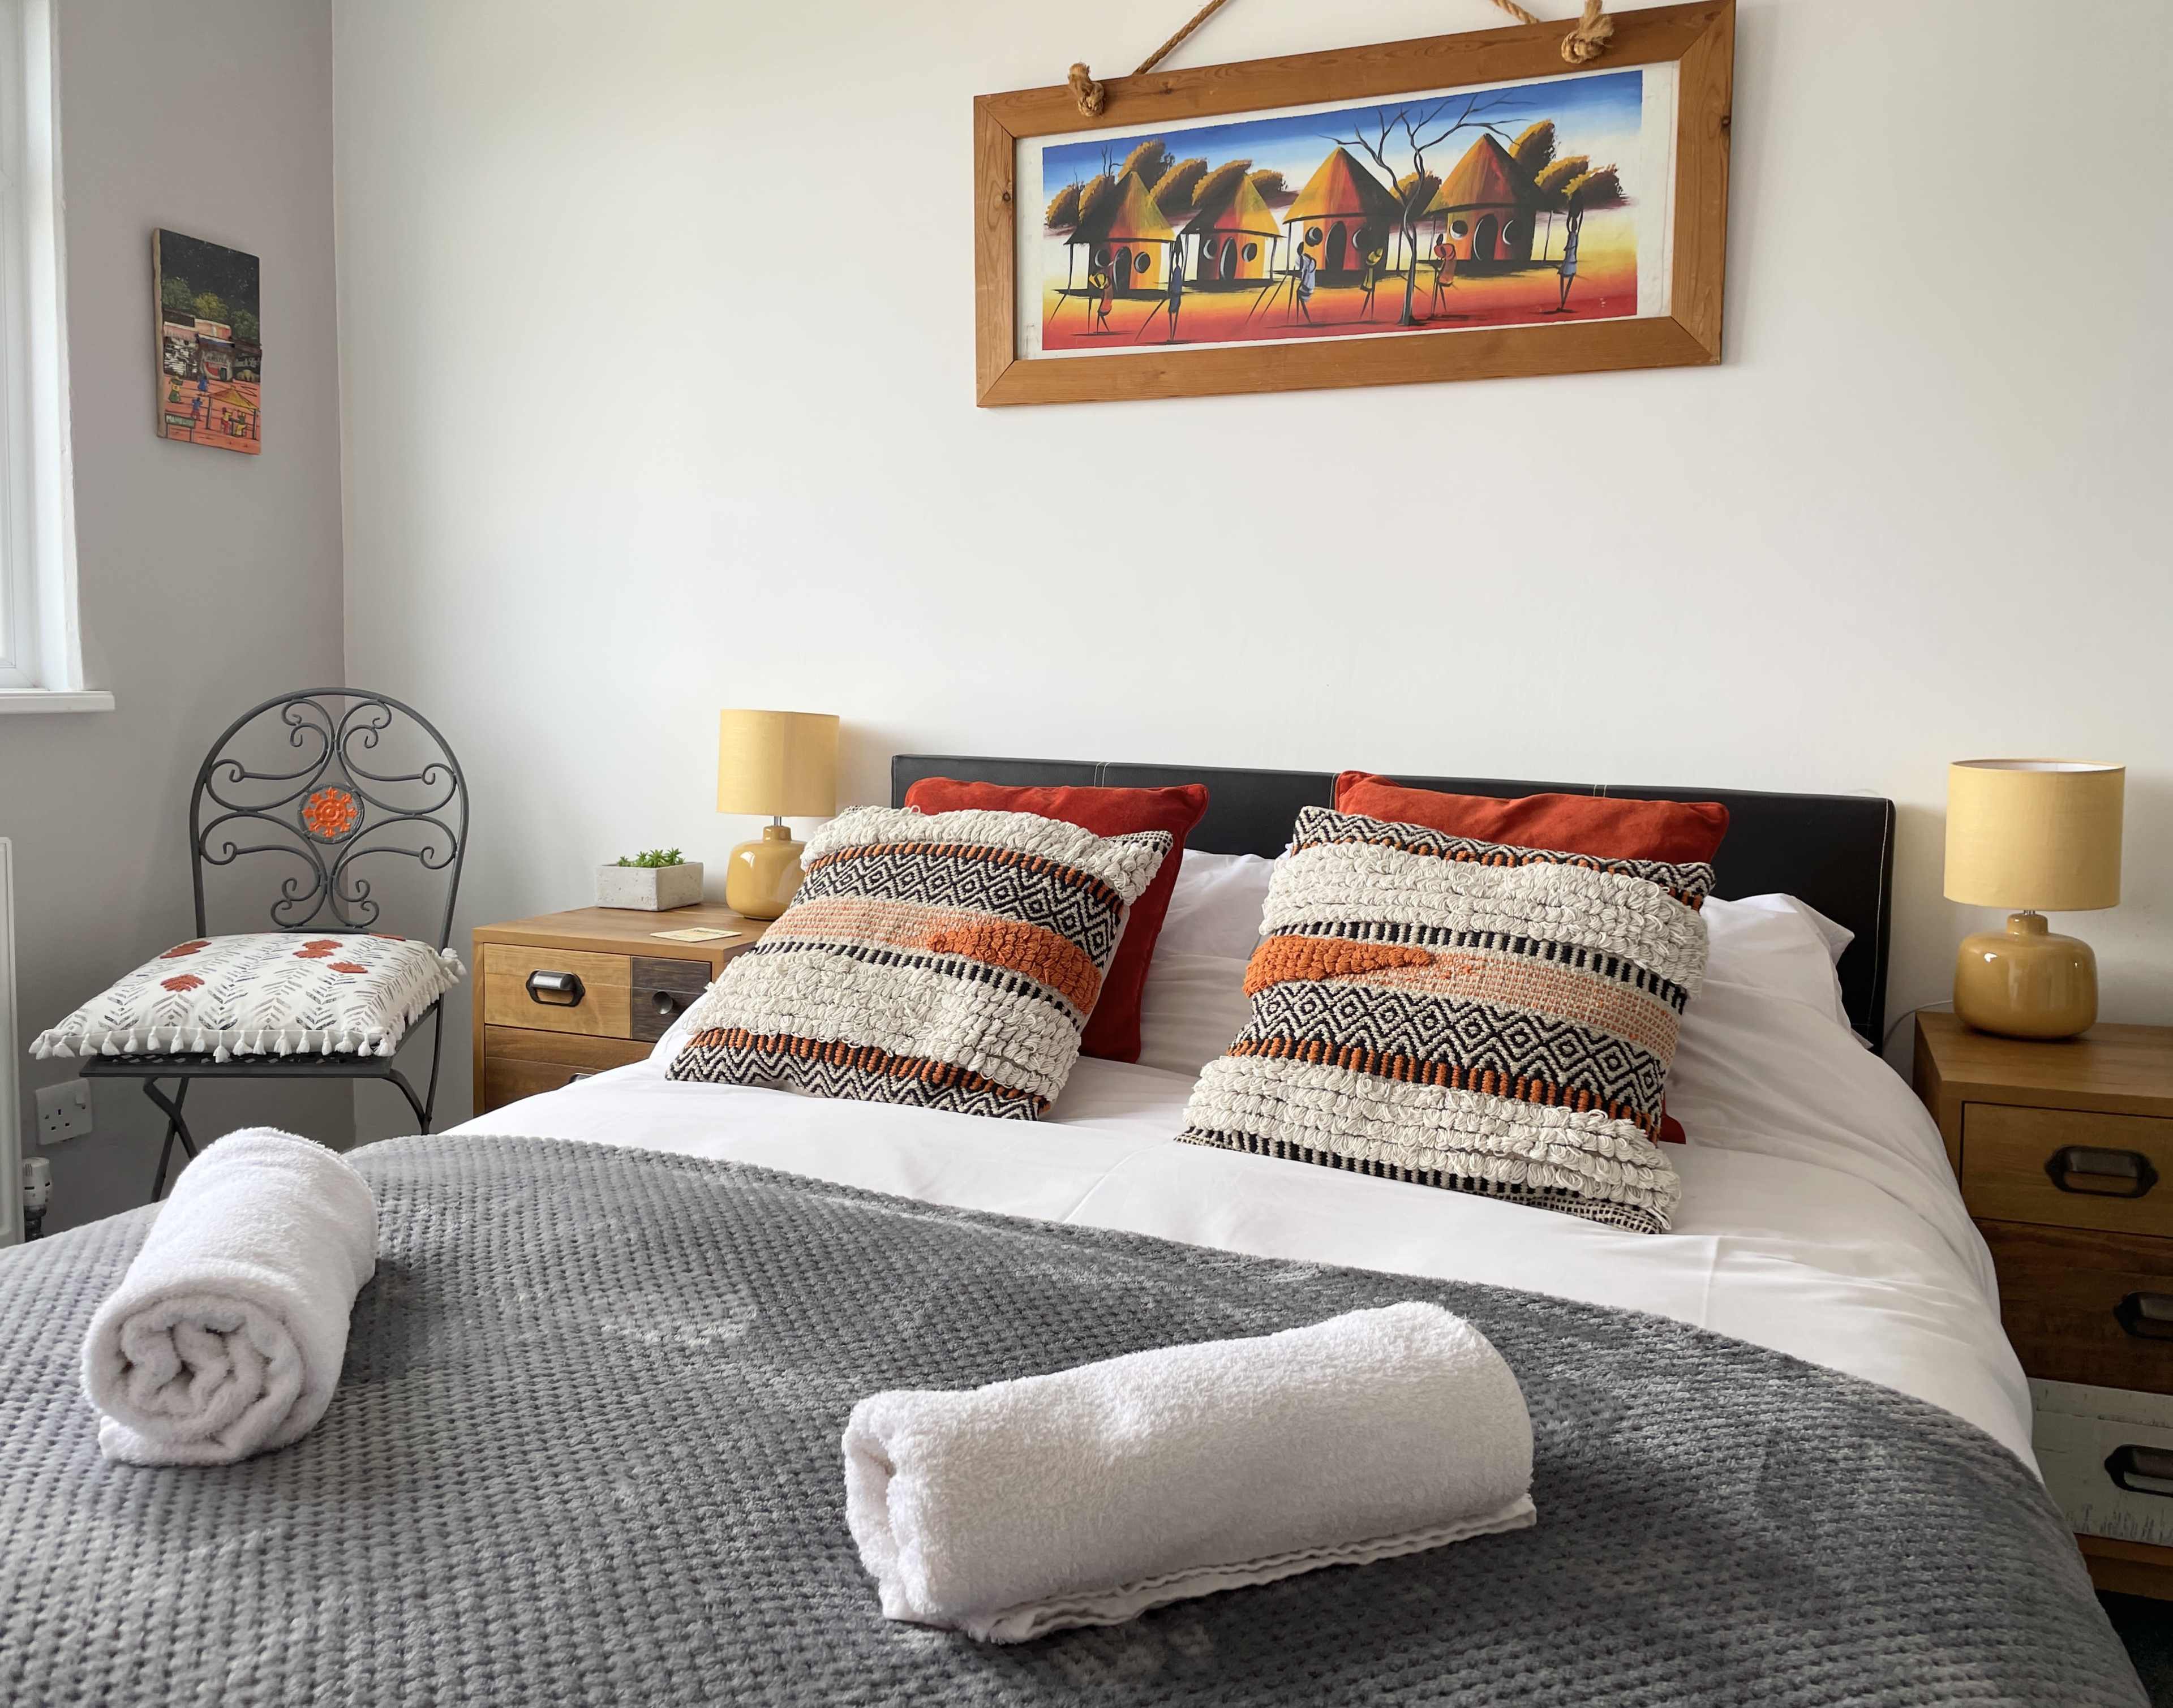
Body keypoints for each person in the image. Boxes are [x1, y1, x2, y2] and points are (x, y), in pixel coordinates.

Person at [1556, 220, 1580, 312]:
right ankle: (1563, 302)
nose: (1573, 227)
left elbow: (1572, 247)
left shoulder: (1574, 236)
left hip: (1570, 259)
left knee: (1564, 278)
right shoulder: (1573, 235)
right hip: (1570, 259)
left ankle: (1563, 302)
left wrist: (1567, 248)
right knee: (1564, 278)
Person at [1431, 234, 1457, 312]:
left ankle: (1442, 308)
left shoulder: (1447, 251)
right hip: (1446, 273)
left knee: (1441, 282)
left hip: (1447, 278)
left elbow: (1445, 259)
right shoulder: (1447, 251)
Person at [1165, 244, 1184, 343]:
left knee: (1174, 312)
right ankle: (1171, 335)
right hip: (1175, 294)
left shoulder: (1178, 271)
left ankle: (1173, 336)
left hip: (1176, 294)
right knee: (1173, 311)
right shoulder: (1177, 271)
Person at [1358, 244, 1385, 319]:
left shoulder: (1378, 252)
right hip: (1372, 274)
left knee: (1371, 294)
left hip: (1372, 274)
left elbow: (1370, 262)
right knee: (1370, 294)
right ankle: (1367, 314)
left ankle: (1369, 314)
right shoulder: (1377, 252)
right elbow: (1370, 262)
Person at [1295, 247, 1317, 324]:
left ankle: (1307, 319)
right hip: (1310, 285)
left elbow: (1304, 272)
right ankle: (1307, 319)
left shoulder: (1305, 261)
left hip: (1307, 286)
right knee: (1300, 298)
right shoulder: (1312, 261)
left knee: (1299, 296)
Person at [1092, 260, 1114, 333]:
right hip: (1105, 306)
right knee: (1101, 316)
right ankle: (1104, 329)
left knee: (1100, 316)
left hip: (1105, 307)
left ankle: (1102, 329)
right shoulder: (1106, 285)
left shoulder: (1105, 286)